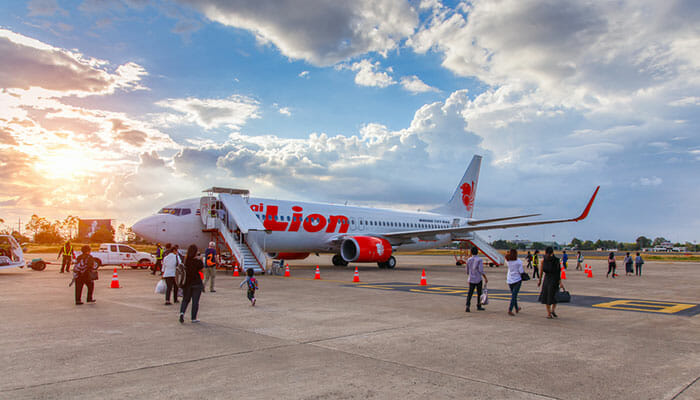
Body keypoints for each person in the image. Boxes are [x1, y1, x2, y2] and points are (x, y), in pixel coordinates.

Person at [179, 244, 204, 323]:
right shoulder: (198, 261)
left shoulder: (185, 261)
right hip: (196, 283)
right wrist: (200, 259)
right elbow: (202, 269)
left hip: (187, 283)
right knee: (195, 301)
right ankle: (193, 318)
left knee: (185, 300)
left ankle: (182, 314)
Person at [538, 247, 564, 318]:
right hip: (552, 279)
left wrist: (540, 280)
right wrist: (560, 282)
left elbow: (541, 271)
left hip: (549, 280)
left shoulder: (544, 261)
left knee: (549, 297)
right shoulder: (556, 260)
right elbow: (558, 272)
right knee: (553, 296)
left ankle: (550, 313)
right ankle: (551, 311)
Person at [465, 247, 488, 312]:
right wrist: (485, 277)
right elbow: (481, 270)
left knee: (470, 293)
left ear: (471, 252)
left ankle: (467, 305)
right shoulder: (479, 260)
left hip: (471, 278)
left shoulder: (469, 260)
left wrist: (469, 274)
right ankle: (479, 305)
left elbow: (467, 270)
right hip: (478, 278)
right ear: (477, 252)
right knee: (479, 293)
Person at [505, 249, 524, 316]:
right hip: (517, 279)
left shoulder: (508, 261)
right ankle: (510, 309)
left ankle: (516, 308)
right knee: (514, 295)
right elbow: (521, 271)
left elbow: (506, 257)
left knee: (514, 295)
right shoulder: (519, 262)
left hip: (510, 279)